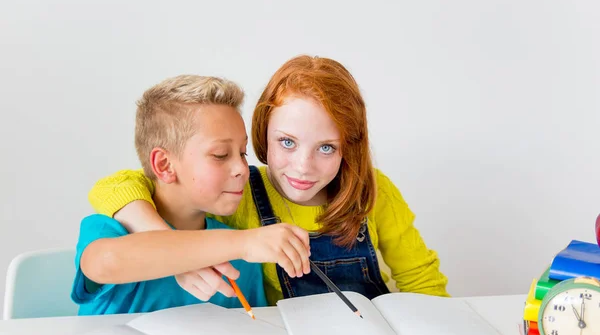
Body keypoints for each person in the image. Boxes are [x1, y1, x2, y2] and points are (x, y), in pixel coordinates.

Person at [86, 55, 450, 306]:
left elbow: (422, 281)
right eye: (287, 142)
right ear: (263, 132)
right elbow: (123, 184)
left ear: (349, 147)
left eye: (326, 147)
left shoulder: (371, 190)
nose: (303, 167)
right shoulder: (240, 192)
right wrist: (171, 245)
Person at [73, 74, 310, 315]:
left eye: (242, 153)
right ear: (164, 165)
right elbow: (105, 263)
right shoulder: (111, 231)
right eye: (220, 155)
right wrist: (246, 243)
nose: (241, 169)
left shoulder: (240, 257)